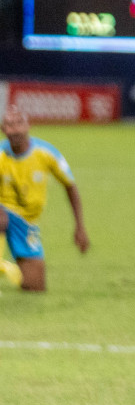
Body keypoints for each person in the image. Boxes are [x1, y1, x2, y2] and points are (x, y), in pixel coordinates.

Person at [1, 108, 89, 292]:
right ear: (3, 129)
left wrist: (79, 227)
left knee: (35, 288)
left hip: (27, 223)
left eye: (19, 123)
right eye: (10, 125)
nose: (15, 130)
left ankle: (6, 268)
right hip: (3, 213)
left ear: (28, 126)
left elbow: (70, 186)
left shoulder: (46, 153)